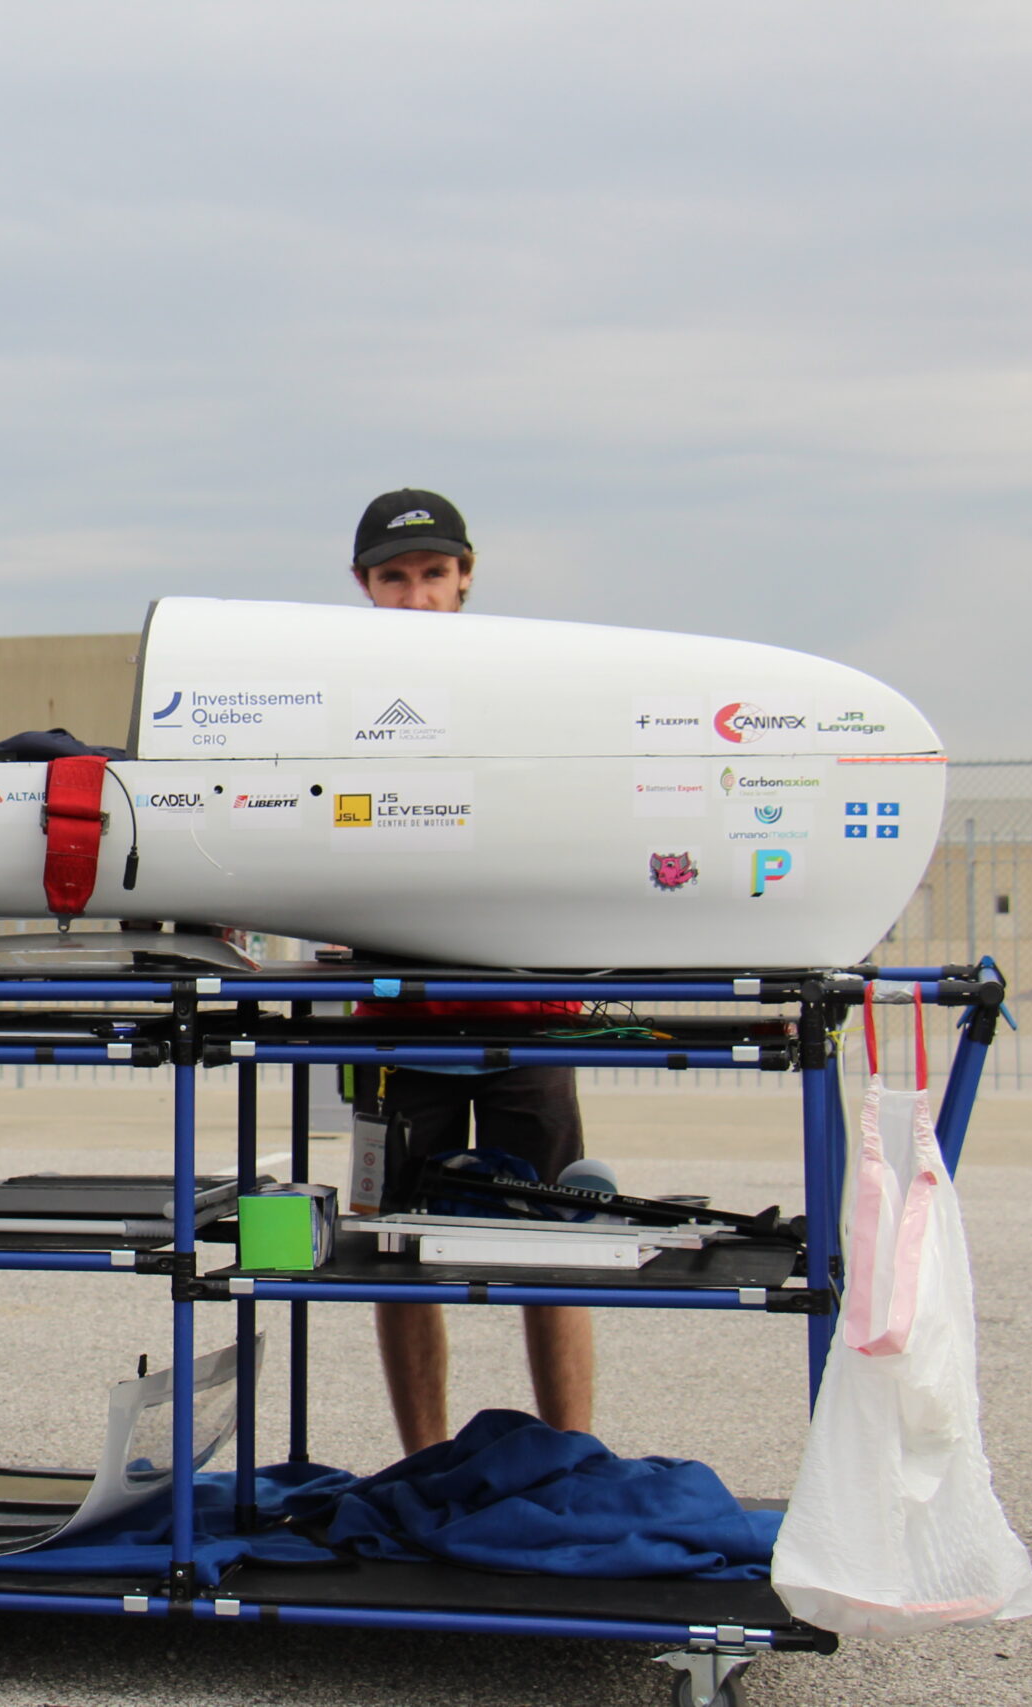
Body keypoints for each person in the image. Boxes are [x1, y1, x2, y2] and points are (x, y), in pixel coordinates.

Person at [347, 487, 595, 1454]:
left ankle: (572, 1456)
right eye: (394, 577)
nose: (415, 597)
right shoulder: (331, 691)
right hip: (390, 1022)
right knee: (399, 1252)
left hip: (525, 1012)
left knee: (556, 1248)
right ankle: (424, 1464)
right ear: (362, 584)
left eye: (433, 575)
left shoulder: (526, 680)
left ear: (466, 577)